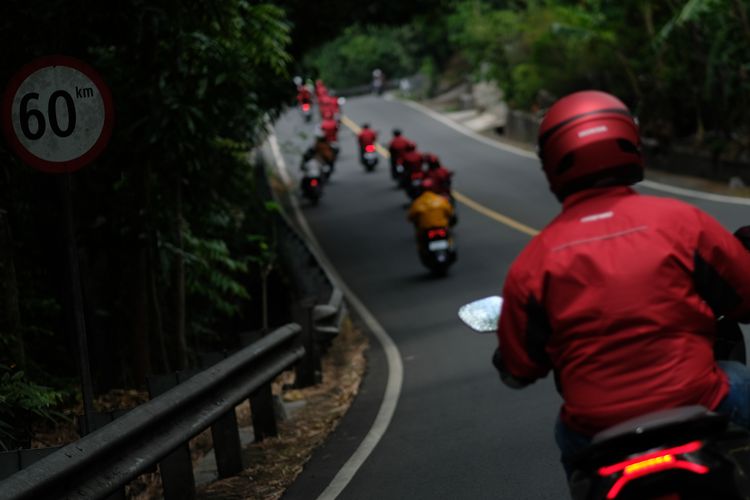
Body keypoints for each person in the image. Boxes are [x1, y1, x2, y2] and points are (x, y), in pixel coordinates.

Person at [492, 90, 750, 478]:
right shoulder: (682, 223)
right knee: (741, 380)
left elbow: (519, 368)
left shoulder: (535, 261)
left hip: (595, 428)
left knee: (568, 440)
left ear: (551, 164)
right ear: (630, 143)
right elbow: (746, 297)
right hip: (698, 399)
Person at [407, 177, 455, 246]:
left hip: (426, 230)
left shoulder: (417, 202)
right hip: (441, 228)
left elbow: (410, 217)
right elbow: (450, 212)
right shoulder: (441, 200)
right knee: (449, 237)